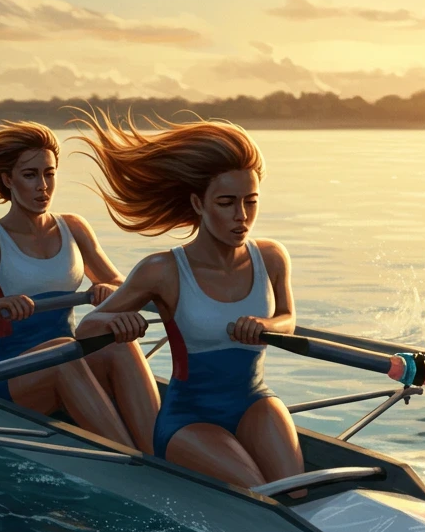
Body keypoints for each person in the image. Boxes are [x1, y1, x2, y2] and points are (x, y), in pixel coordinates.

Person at [72, 110, 304, 489]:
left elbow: (287, 318)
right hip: (189, 419)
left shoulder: (272, 257)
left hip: (254, 400)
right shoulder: (161, 270)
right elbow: (87, 328)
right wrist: (117, 323)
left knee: (297, 491)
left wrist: (266, 326)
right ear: (198, 204)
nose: (242, 216)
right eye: (227, 203)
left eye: (251, 201)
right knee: (256, 493)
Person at [0, 118, 158, 452]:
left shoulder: (74, 229)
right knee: (62, 352)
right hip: (13, 376)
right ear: (8, 180)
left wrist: (108, 290)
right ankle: (134, 464)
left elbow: (118, 282)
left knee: (119, 346)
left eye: (49, 174)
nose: (42, 186)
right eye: (30, 175)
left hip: (68, 357)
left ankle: (155, 455)